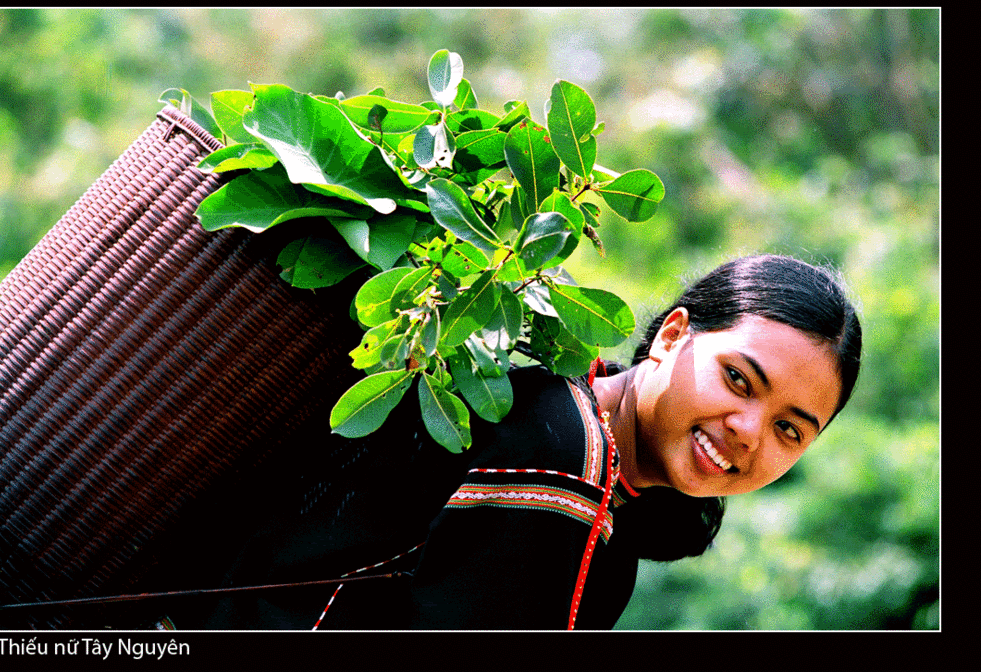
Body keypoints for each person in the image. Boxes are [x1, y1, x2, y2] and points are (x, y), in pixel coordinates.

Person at [165, 253, 861, 631]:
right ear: (673, 337)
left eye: (788, 429)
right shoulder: (565, 462)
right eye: (739, 379)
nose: (748, 431)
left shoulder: (560, 416)